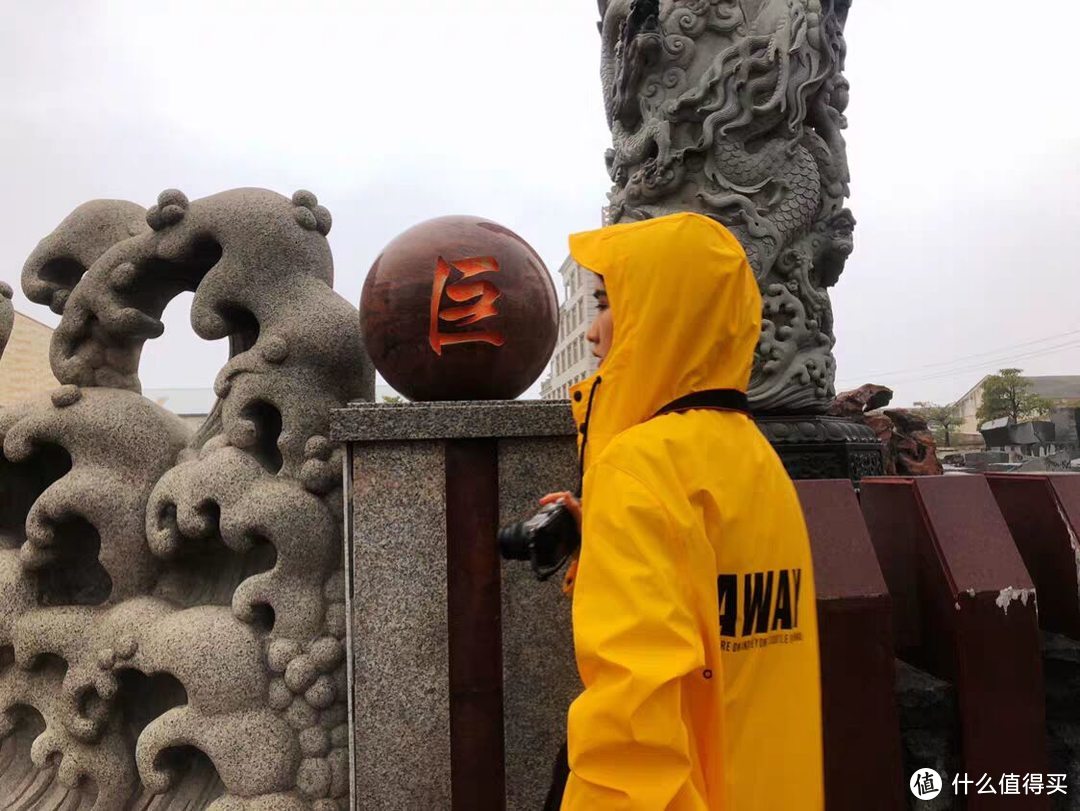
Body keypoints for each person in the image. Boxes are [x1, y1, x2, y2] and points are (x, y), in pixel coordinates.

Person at [542, 212, 824, 810]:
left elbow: (631, 740)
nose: (594, 333)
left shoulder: (639, 470)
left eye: (609, 304)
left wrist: (622, 511)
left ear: (662, 317)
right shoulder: (753, 457)